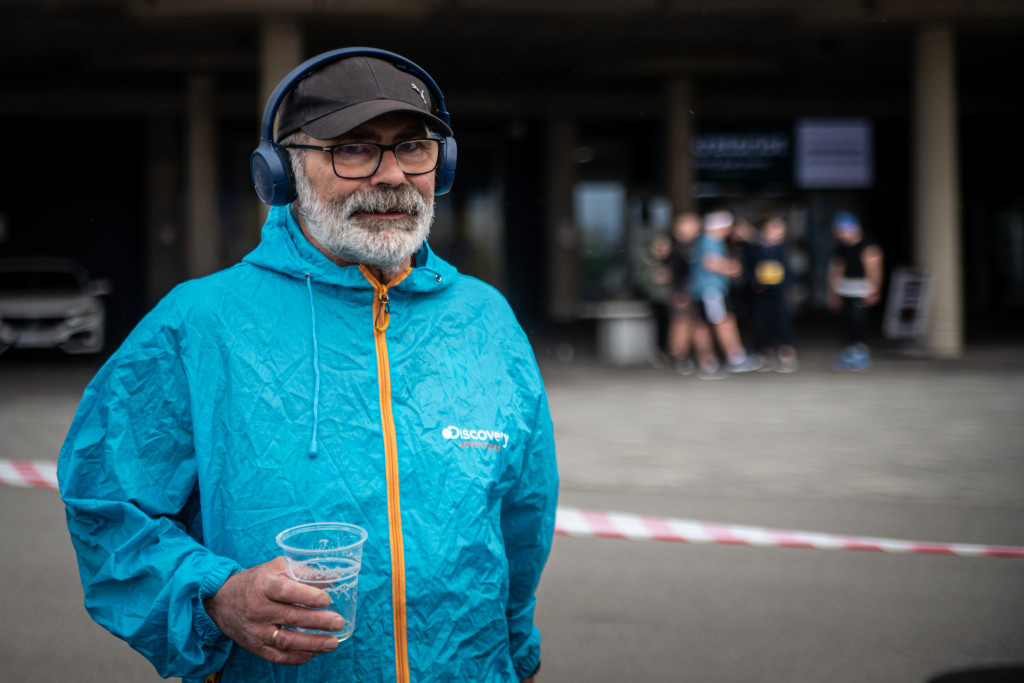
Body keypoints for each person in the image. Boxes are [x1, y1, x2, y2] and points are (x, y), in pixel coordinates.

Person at [57, 48, 557, 683]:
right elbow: (106, 504)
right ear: (281, 173)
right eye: (353, 148)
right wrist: (213, 595)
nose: (392, 176)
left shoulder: (486, 320)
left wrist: (517, 657)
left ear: (443, 163)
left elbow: (521, 521)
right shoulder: (199, 322)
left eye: (413, 147)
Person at [688, 210, 763, 379]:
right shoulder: (710, 240)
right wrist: (730, 267)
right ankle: (734, 357)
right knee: (723, 322)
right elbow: (710, 263)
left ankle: (709, 362)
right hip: (712, 291)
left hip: (706, 290)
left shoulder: (704, 240)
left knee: (703, 324)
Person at [827, 211, 884, 371]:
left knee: (858, 320)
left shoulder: (868, 245)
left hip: (862, 289)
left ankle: (860, 351)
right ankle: (849, 351)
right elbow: (835, 270)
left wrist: (874, 289)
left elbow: (874, 269)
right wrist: (833, 293)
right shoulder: (841, 248)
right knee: (847, 321)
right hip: (845, 288)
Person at [745, 216, 798, 372]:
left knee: (782, 321)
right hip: (761, 292)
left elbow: (790, 269)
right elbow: (748, 267)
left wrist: (788, 283)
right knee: (761, 322)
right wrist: (754, 282)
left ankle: (786, 352)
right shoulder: (754, 248)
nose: (775, 235)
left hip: (779, 291)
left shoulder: (784, 249)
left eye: (779, 232)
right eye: (771, 231)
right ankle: (764, 353)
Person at [665, 212, 701, 375]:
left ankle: (684, 355)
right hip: (681, 292)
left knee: (690, 324)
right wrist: (680, 292)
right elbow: (673, 272)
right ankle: (678, 356)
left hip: (691, 290)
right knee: (681, 323)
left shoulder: (693, 246)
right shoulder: (675, 247)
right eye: (689, 224)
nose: (694, 228)